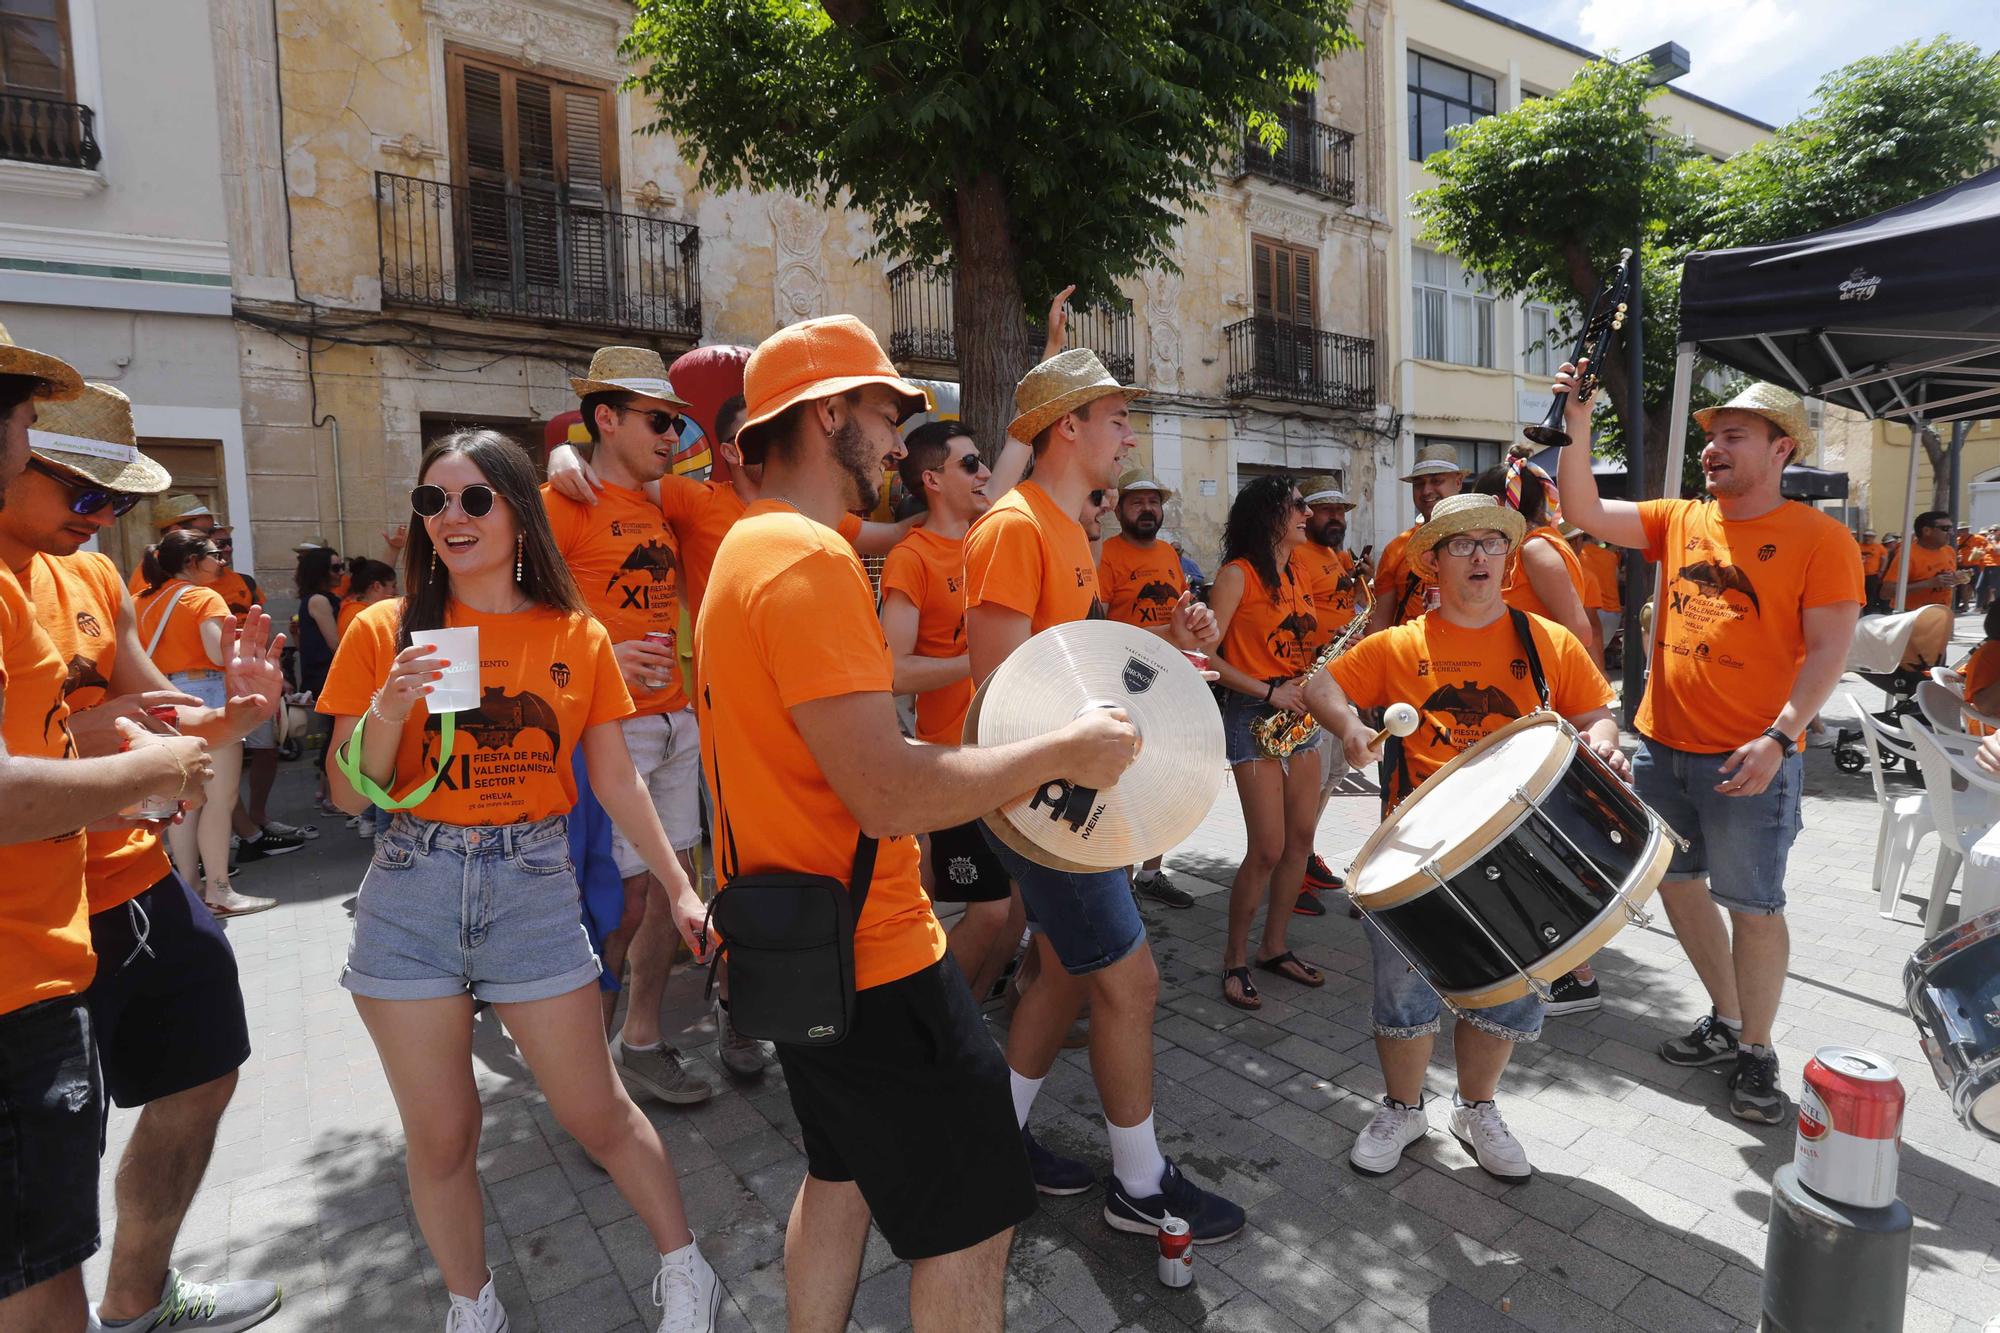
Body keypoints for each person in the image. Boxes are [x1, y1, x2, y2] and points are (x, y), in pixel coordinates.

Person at [700, 315, 1138, 1331]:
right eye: (887, 415)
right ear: (826, 415)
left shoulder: (746, 549)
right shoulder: (806, 562)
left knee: (839, 1178)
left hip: (800, 944)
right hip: (875, 956)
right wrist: (1060, 750)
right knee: (973, 1224)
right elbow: (887, 792)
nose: (901, 443)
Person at [318, 429, 721, 1333]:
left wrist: (681, 887)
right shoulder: (384, 629)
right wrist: (389, 703)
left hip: (532, 881)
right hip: (412, 886)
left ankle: (685, 1268)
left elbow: (615, 779)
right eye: (432, 502)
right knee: (443, 1135)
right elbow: (348, 791)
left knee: (598, 1113)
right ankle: (475, 1306)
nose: (450, 518)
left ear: (517, 510)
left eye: (472, 499)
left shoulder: (573, 632)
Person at [0, 381, 290, 1333]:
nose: (103, 521)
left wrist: (237, 710)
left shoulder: (91, 578)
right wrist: (120, 743)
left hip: (134, 882)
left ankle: (136, 1299)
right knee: (45, 1183)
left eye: (119, 504)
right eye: (85, 496)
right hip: (32, 920)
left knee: (203, 1072)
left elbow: (167, 717)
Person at [963, 347, 1243, 1239]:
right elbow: (998, 694)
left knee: (1060, 971)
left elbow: (1074, 657)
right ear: (1067, 427)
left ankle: (994, 1139)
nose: (1129, 434)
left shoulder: (1063, 528)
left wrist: (1163, 636)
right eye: (1116, 418)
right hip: (1045, 806)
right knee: (1132, 980)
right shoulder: (1013, 527)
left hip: (1065, 798)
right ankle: (1140, 1184)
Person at [1556, 372, 1862, 1124]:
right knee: (1678, 885)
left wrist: (1780, 737)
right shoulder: (1681, 519)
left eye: (1734, 437)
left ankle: (1757, 1050)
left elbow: (1829, 652)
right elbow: (1582, 509)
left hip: (1750, 756)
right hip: (1661, 748)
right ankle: (1727, 1019)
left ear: (1781, 448)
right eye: (1710, 437)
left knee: (1754, 907)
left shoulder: (1822, 539)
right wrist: (1577, 419)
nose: (1712, 450)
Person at [1303, 493, 1625, 1179]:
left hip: (1524, 851)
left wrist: (1604, 742)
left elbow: (1597, 709)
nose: (1480, 555)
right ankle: (1403, 1105)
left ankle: (1475, 1108)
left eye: (1491, 542)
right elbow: (1320, 684)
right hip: (1416, 850)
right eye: (1461, 544)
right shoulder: (1399, 645)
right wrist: (1350, 727)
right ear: (1435, 562)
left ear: (1507, 558)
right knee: (1403, 992)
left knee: (1505, 989)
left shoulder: (1546, 641)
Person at [544, 346, 717, 1106]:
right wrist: (602, 651)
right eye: (658, 421)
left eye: (677, 423)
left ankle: (640, 1041)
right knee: (624, 901)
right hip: (611, 732)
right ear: (606, 419)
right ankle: (593, 1088)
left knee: (674, 895)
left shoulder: (665, 501)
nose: (674, 437)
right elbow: (503, 618)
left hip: (677, 722)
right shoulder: (559, 504)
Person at [879, 421, 1030, 1008]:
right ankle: (944, 1021)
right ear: (932, 479)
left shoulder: (985, 540)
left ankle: (974, 1009)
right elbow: (893, 670)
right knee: (989, 911)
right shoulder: (911, 557)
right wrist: (979, 660)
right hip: (954, 758)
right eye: (971, 465)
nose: (986, 474)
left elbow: (1012, 461)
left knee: (1015, 905)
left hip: (1007, 753)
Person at [1207, 477, 1325, 1011]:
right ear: (1268, 515)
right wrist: (1267, 690)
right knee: (1268, 848)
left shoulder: (1297, 571)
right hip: (1253, 711)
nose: (1308, 511)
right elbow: (1207, 658)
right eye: (1297, 505)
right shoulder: (1237, 575)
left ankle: (1274, 947)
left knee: (1301, 839)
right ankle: (1233, 958)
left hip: (1299, 711)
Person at [133, 529, 270, 917]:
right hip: (205, 693)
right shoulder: (203, 597)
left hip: (160, 701)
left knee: (183, 800)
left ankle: (189, 890)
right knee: (219, 798)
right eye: (214, 554)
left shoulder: (140, 601)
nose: (222, 561)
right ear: (192, 562)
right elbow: (217, 650)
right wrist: (247, 643)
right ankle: (220, 889)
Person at [1094, 468, 1197, 909]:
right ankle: (1123, 879)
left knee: (1163, 779)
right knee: (1122, 783)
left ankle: (1153, 873)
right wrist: (1166, 631)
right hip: (1123, 683)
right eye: (1137, 502)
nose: (1147, 509)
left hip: (1168, 681)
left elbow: (1183, 613)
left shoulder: (1170, 556)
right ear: (1119, 510)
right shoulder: (1106, 555)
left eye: (1153, 502)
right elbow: (1097, 624)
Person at [1288, 477, 1364, 917]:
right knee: (1309, 781)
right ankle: (1291, 870)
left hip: (1340, 675)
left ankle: (1307, 850)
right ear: (1308, 514)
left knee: (1333, 773)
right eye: (1327, 511)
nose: (1336, 518)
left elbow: (1341, 603)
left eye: (1341, 511)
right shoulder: (1297, 556)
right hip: (1308, 680)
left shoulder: (1339, 555)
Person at [1473, 459, 1601, 669]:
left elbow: (1580, 632)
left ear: (1498, 503)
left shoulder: (1535, 548)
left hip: (1539, 685)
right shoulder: (1525, 547)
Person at [1367, 443, 1465, 632]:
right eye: (1419, 484)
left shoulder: (1481, 543)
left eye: (1436, 481)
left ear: (1458, 482)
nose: (1426, 490)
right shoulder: (1397, 548)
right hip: (1408, 657)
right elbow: (1379, 625)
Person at [1882, 510, 1959, 611]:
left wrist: (1957, 578)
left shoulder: (1949, 551)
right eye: (1945, 529)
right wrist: (1927, 584)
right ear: (1927, 531)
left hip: (1941, 614)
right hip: (1910, 616)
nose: (1951, 533)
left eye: (1951, 528)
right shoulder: (1907, 555)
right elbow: (1886, 592)